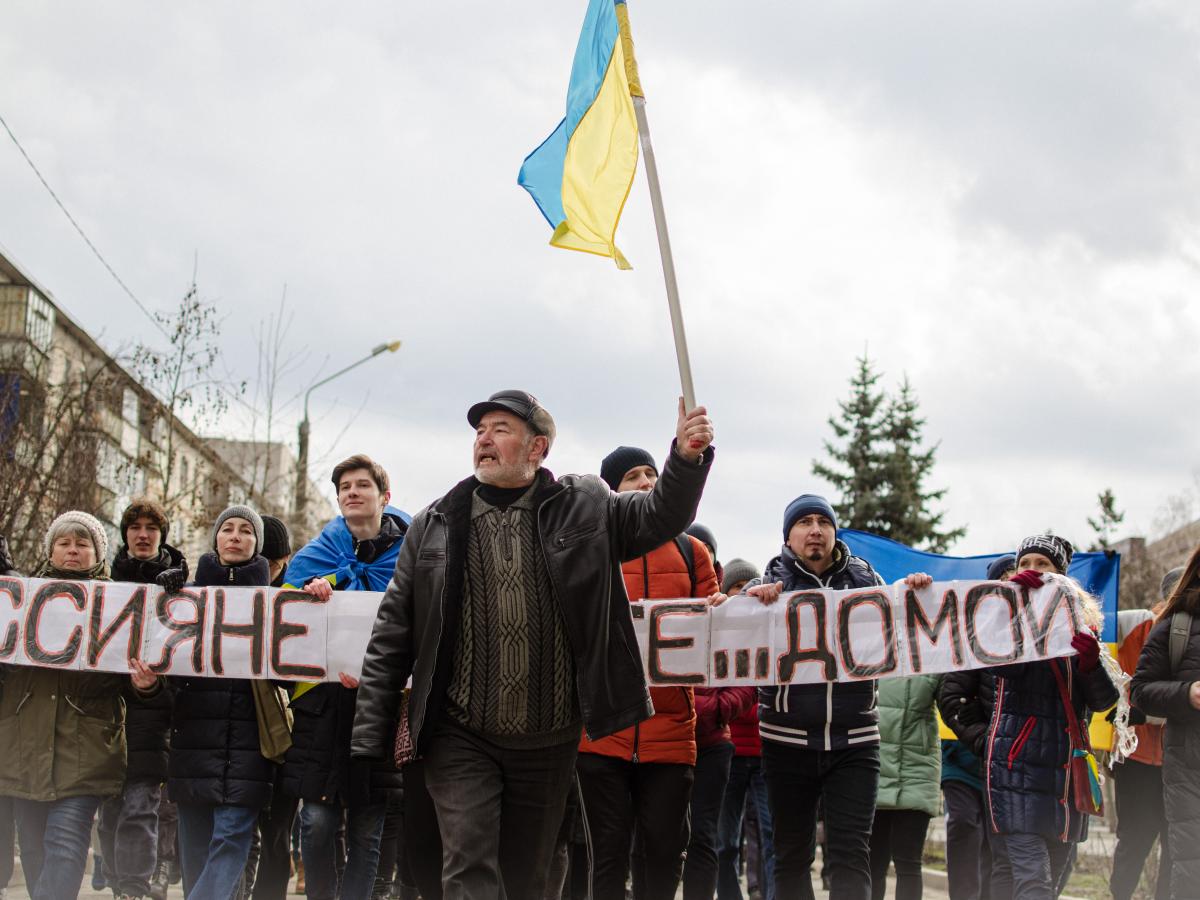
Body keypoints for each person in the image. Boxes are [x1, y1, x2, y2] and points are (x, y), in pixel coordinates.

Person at [352, 390, 714, 899]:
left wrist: (686, 458)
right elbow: (392, 632)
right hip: (458, 733)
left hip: (548, 737)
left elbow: (660, 515)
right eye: (479, 431)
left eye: (500, 429)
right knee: (468, 862)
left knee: (529, 877)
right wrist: (369, 735)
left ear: (537, 447)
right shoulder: (433, 525)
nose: (484, 439)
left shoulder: (586, 507)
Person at [574, 447, 719, 900]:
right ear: (612, 492)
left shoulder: (692, 551)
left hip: (672, 736)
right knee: (608, 856)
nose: (646, 482)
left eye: (651, 473)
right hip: (602, 734)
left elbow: (720, 633)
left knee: (662, 853)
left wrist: (720, 612)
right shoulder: (590, 547)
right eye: (633, 476)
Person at [0, 511, 159, 899]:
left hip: (85, 750)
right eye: (64, 543)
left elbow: (136, 683)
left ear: (97, 552)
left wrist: (146, 686)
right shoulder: (16, 601)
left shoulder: (120, 605)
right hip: (22, 749)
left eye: (83, 543)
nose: (73, 551)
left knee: (66, 845)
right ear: (51, 550)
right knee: (36, 849)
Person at [733, 494, 884, 899]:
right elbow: (727, 632)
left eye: (823, 521)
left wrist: (914, 591)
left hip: (856, 741)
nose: (815, 529)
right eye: (804, 522)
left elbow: (903, 628)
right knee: (791, 855)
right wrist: (743, 604)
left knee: (852, 856)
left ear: (834, 532)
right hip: (786, 743)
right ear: (788, 536)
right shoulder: (763, 587)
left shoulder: (869, 582)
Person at [139, 505, 281, 900]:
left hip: (250, 751)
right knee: (197, 856)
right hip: (193, 748)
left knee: (231, 842)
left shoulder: (277, 605)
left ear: (258, 544)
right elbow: (166, 685)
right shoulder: (183, 599)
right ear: (215, 538)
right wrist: (150, 685)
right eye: (228, 528)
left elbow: (290, 673)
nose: (235, 536)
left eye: (246, 531)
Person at [283, 456, 409, 900]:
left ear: (384, 497)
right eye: (344, 488)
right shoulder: (316, 555)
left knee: (367, 828)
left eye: (362, 485)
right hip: (324, 707)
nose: (352, 493)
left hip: (381, 706)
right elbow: (283, 614)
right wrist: (314, 589)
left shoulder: (413, 556)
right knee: (316, 823)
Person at [980, 534, 1116, 900]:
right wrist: (1012, 610)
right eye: (1025, 564)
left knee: (1050, 883)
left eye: (1043, 565)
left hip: (1065, 776)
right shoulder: (1002, 619)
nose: (1033, 571)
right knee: (1033, 883)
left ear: (1062, 576)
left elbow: (1104, 702)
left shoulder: (1081, 626)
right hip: (1017, 768)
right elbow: (1002, 669)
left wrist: (1089, 663)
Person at [99, 500, 183, 900]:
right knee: (111, 814)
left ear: (162, 535)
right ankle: (120, 884)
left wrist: (151, 687)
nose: (143, 534)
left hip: (151, 723)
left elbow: (185, 668)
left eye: (152, 527)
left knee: (140, 808)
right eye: (135, 527)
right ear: (125, 534)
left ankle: (133, 888)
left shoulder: (182, 590)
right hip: (105, 722)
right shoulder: (104, 586)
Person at [937, 554, 1012, 900]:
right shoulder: (970, 637)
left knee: (998, 846)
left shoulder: (1040, 638)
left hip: (1010, 767)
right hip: (964, 760)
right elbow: (950, 697)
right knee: (965, 826)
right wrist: (984, 740)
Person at [1130, 546, 1200, 899]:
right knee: (1190, 871)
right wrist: (1187, 694)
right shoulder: (1178, 626)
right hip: (1190, 770)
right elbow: (1140, 691)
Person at [1108, 567, 1178, 900]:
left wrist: (1145, 713)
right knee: (1133, 842)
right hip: (1134, 757)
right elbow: (1092, 622)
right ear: (1161, 602)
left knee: (1177, 844)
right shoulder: (1134, 624)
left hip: (1182, 760)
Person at [714, 559, 775, 900]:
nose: (742, 595)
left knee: (770, 837)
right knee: (725, 841)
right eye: (735, 589)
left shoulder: (773, 633)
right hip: (730, 752)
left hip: (767, 753)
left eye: (749, 589)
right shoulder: (720, 637)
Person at [867, 674, 941, 900]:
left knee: (902, 861)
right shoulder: (870, 658)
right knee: (875, 863)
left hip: (913, 772)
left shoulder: (931, 664)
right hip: (875, 769)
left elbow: (954, 700)